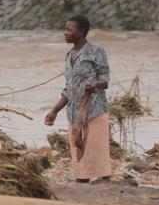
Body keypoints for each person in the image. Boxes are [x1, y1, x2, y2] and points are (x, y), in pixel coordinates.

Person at [44, 14, 111, 182]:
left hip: (94, 111)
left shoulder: (96, 51)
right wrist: (54, 111)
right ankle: (82, 181)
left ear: (81, 32)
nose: (65, 33)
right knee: (80, 161)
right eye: (65, 29)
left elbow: (105, 80)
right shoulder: (69, 56)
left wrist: (95, 85)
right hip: (75, 114)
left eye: (69, 29)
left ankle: (105, 185)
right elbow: (69, 89)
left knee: (98, 157)